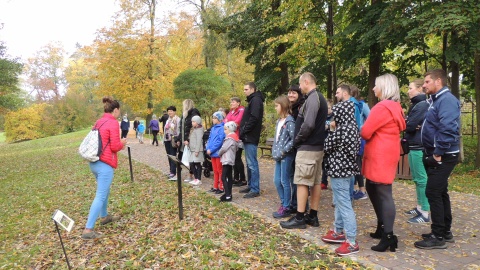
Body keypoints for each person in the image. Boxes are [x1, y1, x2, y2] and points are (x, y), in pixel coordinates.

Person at [414, 69, 460, 250]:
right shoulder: (436, 100)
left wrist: (438, 152)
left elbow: (448, 128)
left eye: (426, 82)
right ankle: (445, 231)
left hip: (444, 154)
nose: (424, 85)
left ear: (438, 81)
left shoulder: (446, 100)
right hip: (439, 152)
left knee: (433, 191)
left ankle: (438, 236)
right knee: (440, 191)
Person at [361, 74, 406, 252]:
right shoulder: (395, 106)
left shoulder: (382, 107)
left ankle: (388, 236)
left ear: (384, 87)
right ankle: (382, 227)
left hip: (380, 153)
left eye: (376, 85)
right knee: (372, 187)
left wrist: (361, 128)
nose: (373, 89)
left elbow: (365, 132)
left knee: (384, 192)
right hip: (386, 151)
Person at [280, 72, 327, 229]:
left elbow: (308, 124)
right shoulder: (318, 98)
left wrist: (297, 139)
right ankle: (312, 216)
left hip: (308, 148)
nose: (299, 88)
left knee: (301, 182)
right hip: (316, 148)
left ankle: (300, 217)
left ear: (306, 82)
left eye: (300, 85)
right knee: (314, 182)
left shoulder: (313, 98)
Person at [81, 97, 127, 240]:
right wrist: (122, 143)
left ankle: (104, 216)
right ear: (116, 110)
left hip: (94, 162)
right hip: (105, 164)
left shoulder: (99, 121)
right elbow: (114, 146)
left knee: (104, 190)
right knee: (101, 195)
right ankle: (88, 230)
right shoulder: (113, 123)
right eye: (119, 110)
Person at [321, 100, 360, 256]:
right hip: (348, 170)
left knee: (343, 204)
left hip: (339, 171)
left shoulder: (341, 130)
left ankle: (351, 241)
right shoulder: (353, 128)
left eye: (335, 114)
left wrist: (331, 130)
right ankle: (338, 231)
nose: (333, 117)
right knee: (340, 201)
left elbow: (327, 146)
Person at [404, 79, 430, 224]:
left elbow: (409, 125)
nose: (408, 91)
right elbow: (409, 124)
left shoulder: (421, 105)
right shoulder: (417, 105)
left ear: (420, 89)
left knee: (421, 179)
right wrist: (409, 123)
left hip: (418, 146)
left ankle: (425, 212)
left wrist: (410, 123)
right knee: (417, 179)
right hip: (414, 145)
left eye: (411, 88)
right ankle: (420, 207)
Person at [335, 84, 366, 200]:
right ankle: (349, 194)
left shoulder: (351, 105)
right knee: (351, 167)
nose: (335, 95)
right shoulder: (351, 104)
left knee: (350, 168)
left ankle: (348, 196)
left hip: (349, 140)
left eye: (338, 93)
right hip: (351, 139)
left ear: (345, 93)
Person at [239, 82, 265, 199]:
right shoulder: (252, 100)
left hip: (251, 136)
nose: (244, 91)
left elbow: (254, 118)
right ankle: (250, 185)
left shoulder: (256, 100)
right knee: (249, 163)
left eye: (246, 89)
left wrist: (244, 130)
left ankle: (255, 188)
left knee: (252, 163)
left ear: (253, 89)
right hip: (247, 136)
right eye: (244, 89)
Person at [271, 95, 295, 218]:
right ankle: (284, 202)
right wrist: (275, 151)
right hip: (278, 155)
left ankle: (286, 206)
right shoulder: (278, 122)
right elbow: (277, 139)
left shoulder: (290, 121)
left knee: (284, 181)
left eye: (277, 106)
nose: (275, 108)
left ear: (283, 106)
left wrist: (283, 151)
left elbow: (293, 139)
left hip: (286, 156)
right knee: (276, 180)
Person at [286, 84, 304, 213]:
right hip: (290, 146)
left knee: (298, 178)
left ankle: (299, 205)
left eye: (294, 93)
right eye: (290, 93)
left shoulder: (300, 107)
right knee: (292, 176)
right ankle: (294, 203)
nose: (291, 95)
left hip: (299, 146)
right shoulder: (289, 108)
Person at [350, 85, 370, 200]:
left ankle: (362, 190)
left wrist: (362, 129)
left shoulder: (362, 105)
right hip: (349, 137)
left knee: (357, 162)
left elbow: (371, 117)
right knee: (352, 163)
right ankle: (352, 189)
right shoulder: (345, 105)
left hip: (359, 137)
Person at [175, 99, 200, 181]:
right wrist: (179, 139)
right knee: (180, 157)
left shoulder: (194, 113)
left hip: (190, 140)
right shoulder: (184, 115)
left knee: (192, 160)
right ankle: (177, 174)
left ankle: (192, 175)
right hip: (183, 140)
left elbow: (194, 128)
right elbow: (182, 128)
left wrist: (189, 139)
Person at [224, 97, 247, 187]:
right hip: (230, 136)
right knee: (233, 158)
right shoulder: (231, 111)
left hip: (238, 137)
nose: (232, 104)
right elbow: (225, 121)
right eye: (231, 102)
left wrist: (230, 123)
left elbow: (237, 122)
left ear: (238, 103)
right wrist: (230, 123)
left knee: (237, 158)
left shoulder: (241, 110)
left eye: (233, 102)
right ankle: (236, 178)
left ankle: (243, 178)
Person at [218, 121, 240, 202]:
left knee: (223, 177)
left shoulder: (229, 139)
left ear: (230, 129)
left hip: (227, 160)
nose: (224, 131)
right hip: (230, 159)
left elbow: (223, 148)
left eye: (225, 129)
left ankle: (227, 195)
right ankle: (229, 194)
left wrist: (219, 153)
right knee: (229, 177)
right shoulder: (235, 138)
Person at [206, 111, 226, 193]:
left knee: (219, 170)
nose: (213, 120)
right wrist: (207, 148)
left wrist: (212, 149)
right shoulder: (213, 128)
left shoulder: (222, 128)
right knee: (214, 170)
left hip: (217, 152)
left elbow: (219, 141)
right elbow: (209, 139)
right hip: (211, 152)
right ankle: (215, 186)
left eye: (214, 118)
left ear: (219, 119)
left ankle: (221, 186)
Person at [164, 106, 181, 180]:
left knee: (173, 155)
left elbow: (178, 130)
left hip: (173, 139)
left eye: (171, 111)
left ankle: (174, 172)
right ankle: (171, 171)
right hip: (167, 139)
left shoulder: (177, 119)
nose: (170, 112)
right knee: (169, 155)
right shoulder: (168, 120)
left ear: (174, 112)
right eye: (168, 111)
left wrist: (178, 140)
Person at [187, 115, 205, 186]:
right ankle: (196, 178)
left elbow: (199, 141)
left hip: (197, 150)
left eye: (194, 121)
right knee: (192, 163)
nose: (192, 123)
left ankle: (198, 179)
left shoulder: (199, 130)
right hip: (192, 149)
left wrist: (197, 150)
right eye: (192, 121)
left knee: (197, 164)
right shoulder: (194, 129)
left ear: (197, 122)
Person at [321, 99, 333, 190]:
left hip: (331, 143)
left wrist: (328, 127)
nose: (327, 110)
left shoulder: (334, 117)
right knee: (323, 164)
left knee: (329, 163)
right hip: (323, 142)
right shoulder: (322, 117)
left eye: (329, 108)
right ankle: (323, 181)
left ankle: (331, 181)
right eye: (326, 108)